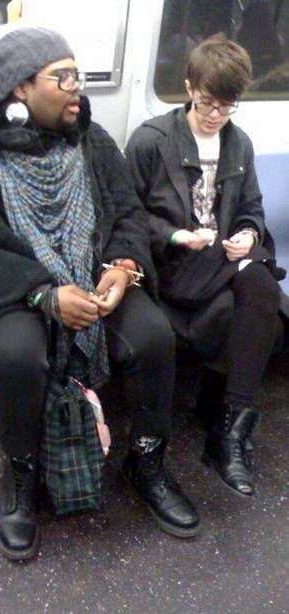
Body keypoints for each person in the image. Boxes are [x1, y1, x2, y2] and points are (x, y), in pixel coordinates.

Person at [0, 24, 201, 561]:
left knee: (153, 336)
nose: (76, 87)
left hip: (93, 271)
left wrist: (124, 267)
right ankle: (19, 475)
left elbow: (127, 213)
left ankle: (146, 461)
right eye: (61, 78)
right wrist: (43, 293)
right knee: (16, 353)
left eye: (77, 75)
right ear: (19, 88)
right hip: (23, 286)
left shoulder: (92, 139)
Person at [125, 34, 285, 501]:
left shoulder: (238, 144)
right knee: (264, 298)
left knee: (262, 288)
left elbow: (251, 208)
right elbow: (128, 215)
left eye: (227, 106)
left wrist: (248, 235)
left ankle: (231, 429)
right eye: (207, 103)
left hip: (220, 258)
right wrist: (177, 236)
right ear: (189, 88)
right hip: (173, 262)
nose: (216, 115)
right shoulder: (152, 140)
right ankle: (223, 432)